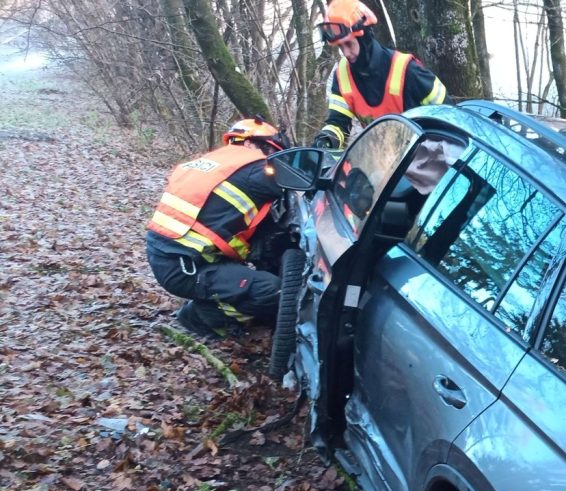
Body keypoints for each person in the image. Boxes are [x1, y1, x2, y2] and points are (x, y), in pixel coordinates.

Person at [146, 118, 287, 341]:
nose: (271, 157)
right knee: (275, 292)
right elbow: (297, 185)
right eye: (270, 150)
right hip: (186, 268)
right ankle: (202, 317)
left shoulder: (212, 162)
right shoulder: (254, 168)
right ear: (251, 143)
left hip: (170, 257)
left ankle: (214, 298)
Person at [312, 0, 447, 151]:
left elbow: (449, 114)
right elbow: (337, 123)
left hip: (424, 158)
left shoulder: (407, 70)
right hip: (382, 164)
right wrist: (326, 140)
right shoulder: (342, 76)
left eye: (349, 44)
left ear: (365, 39)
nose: (346, 53)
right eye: (340, 47)